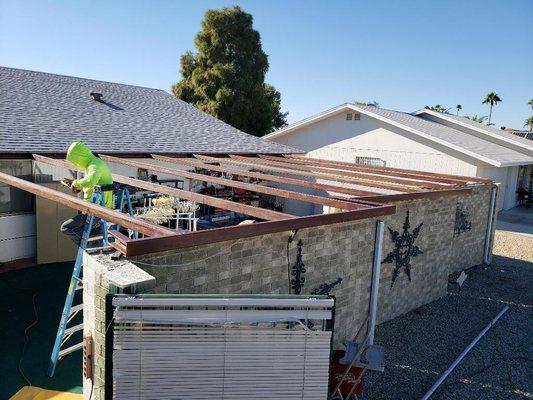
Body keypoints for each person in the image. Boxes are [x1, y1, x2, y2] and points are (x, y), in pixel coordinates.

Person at [60, 142, 114, 245]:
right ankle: (92, 243)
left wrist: (75, 183)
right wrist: (79, 187)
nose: (75, 164)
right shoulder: (92, 164)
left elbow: (90, 181)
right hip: (94, 207)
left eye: (75, 160)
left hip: (98, 208)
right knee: (87, 230)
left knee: (66, 228)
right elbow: (92, 183)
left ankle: (87, 246)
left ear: (79, 157)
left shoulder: (94, 165)